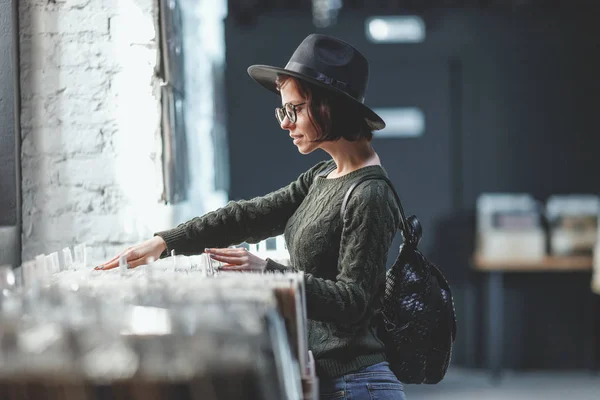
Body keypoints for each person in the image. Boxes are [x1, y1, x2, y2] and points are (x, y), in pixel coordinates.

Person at [98, 34, 406, 400]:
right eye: (283, 110)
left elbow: (352, 302)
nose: (284, 123)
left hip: (357, 385)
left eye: (294, 110)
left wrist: (267, 271)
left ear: (330, 107)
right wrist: (165, 242)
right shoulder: (322, 175)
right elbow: (247, 216)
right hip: (333, 380)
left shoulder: (370, 194)